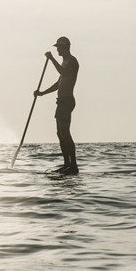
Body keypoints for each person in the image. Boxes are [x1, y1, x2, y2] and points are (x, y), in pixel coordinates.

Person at [34, 36, 79, 175]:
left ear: (66, 47)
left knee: (65, 133)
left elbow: (64, 73)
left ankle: (73, 166)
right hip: (61, 101)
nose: (58, 49)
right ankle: (66, 164)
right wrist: (42, 93)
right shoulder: (64, 62)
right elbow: (58, 83)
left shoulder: (72, 61)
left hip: (67, 101)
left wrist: (52, 59)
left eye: (59, 47)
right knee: (60, 134)